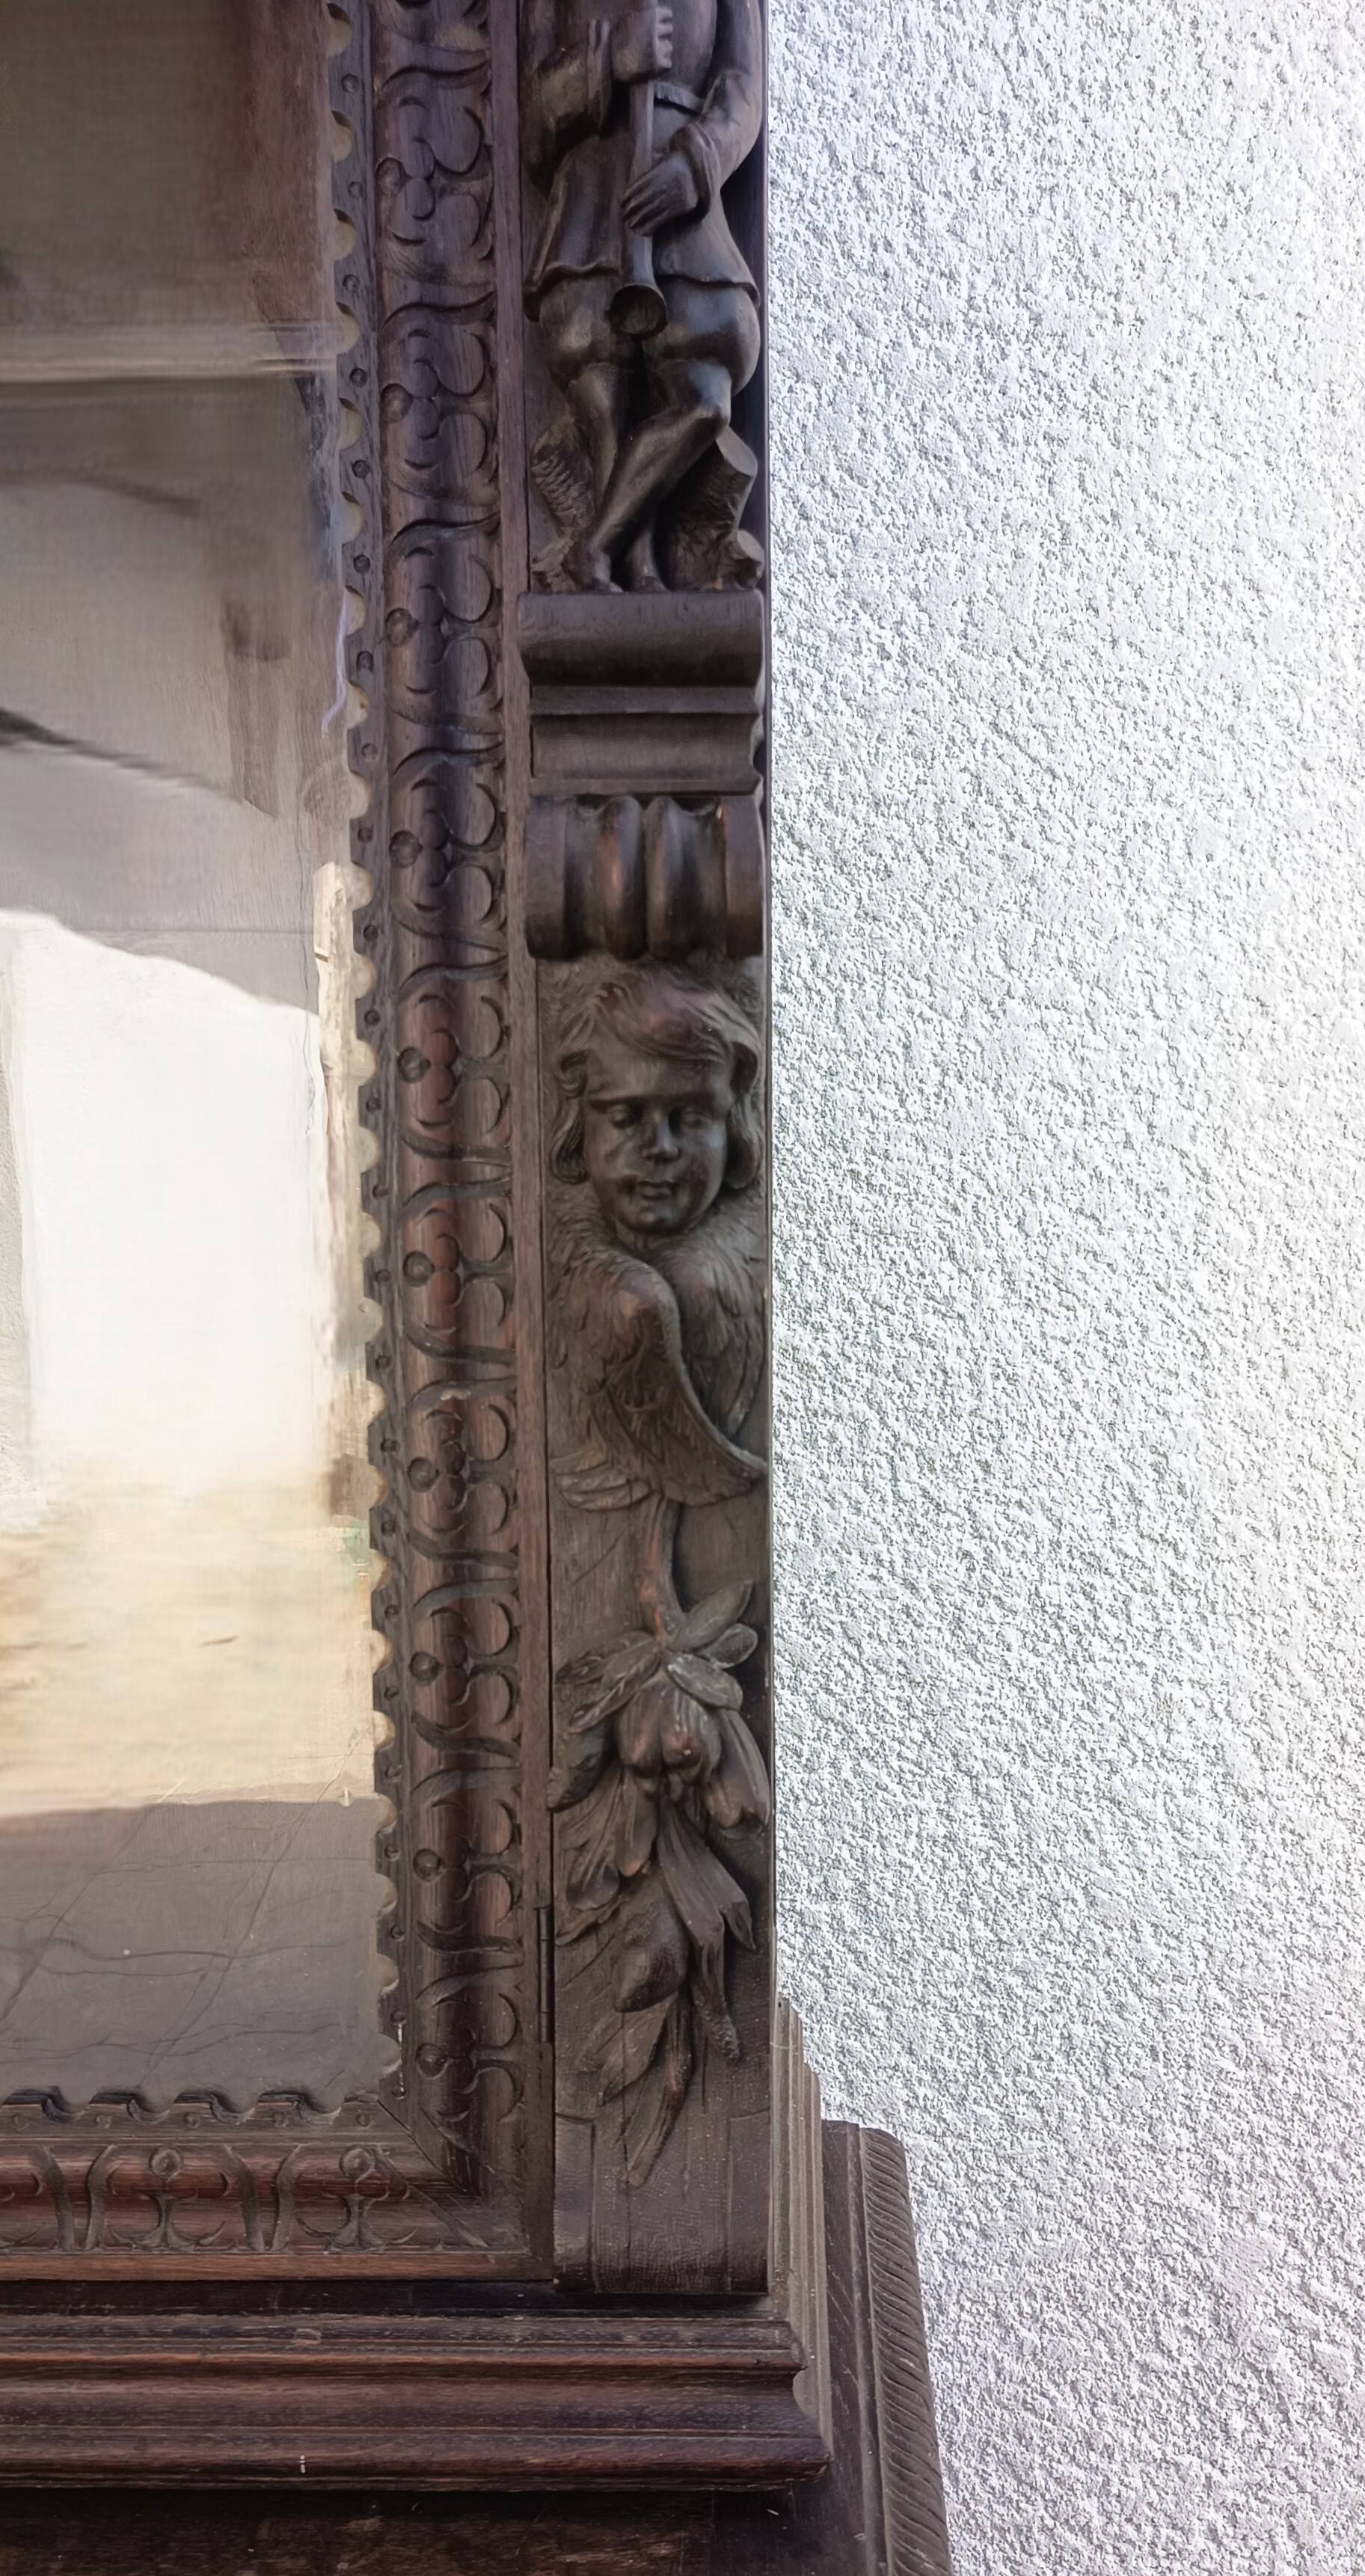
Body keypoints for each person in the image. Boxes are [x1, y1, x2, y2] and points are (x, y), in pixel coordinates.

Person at [522, 0, 762, 592]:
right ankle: (638, 564)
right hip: (591, 204)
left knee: (706, 397)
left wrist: (695, 165)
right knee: (603, 386)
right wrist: (604, 64)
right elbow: (533, 122)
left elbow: (742, 89)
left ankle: (598, 545)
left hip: (680, 207)